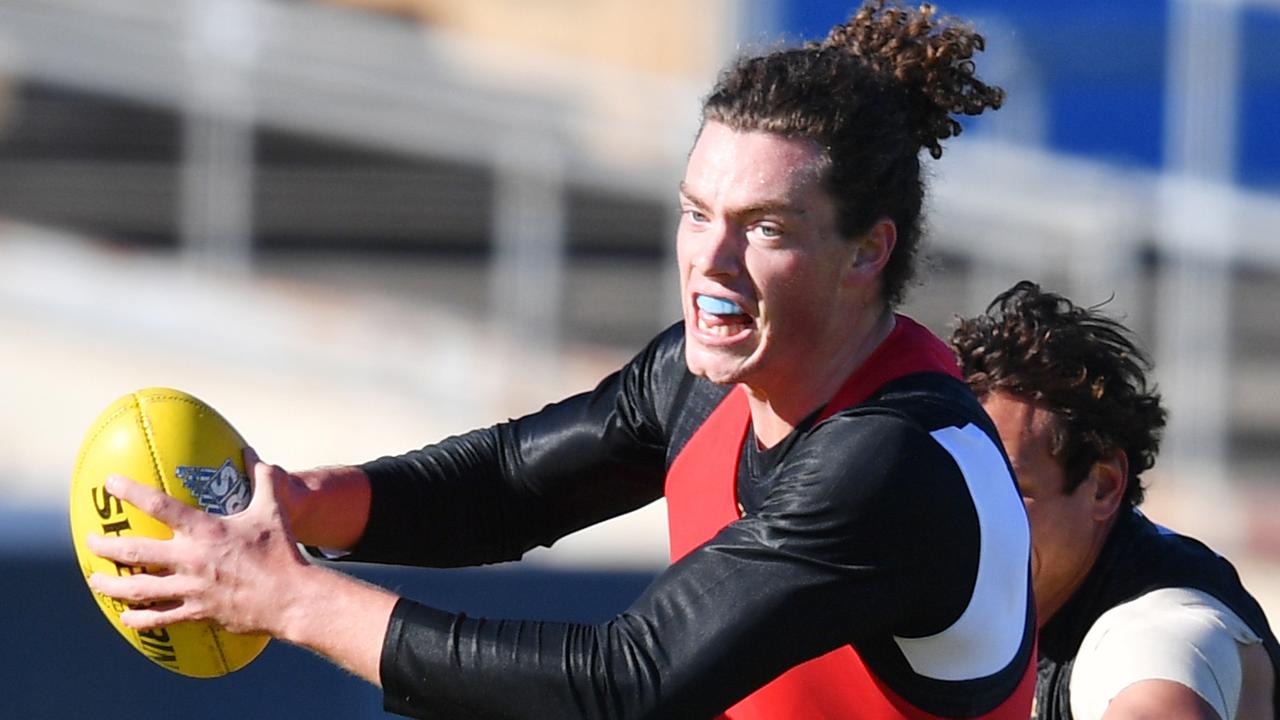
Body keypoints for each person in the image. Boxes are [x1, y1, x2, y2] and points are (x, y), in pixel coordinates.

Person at [85, 2, 1036, 717]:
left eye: (765, 227)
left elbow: (628, 686)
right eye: (695, 211)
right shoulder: (708, 377)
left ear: (868, 252)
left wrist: (289, 599)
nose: (709, 258)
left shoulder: (893, 460)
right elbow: (509, 486)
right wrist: (303, 505)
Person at [950, 280, 1280, 720]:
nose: (967, 519)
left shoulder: (1159, 632)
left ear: (1103, 486)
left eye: (1005, 487)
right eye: (956, 483)